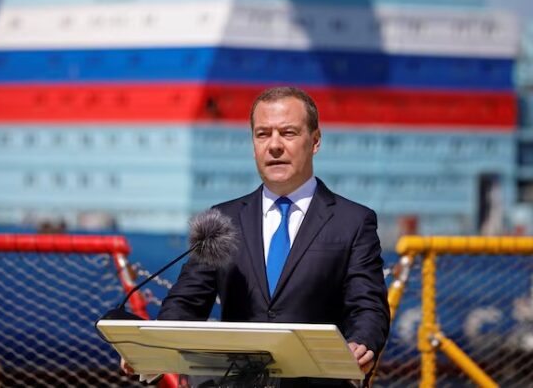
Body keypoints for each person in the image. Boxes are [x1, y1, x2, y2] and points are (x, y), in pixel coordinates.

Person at [127, 87, 390, 387]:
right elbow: (186, 302)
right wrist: (153, 350)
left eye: (288, 133)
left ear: (315, 141)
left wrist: (362, 343)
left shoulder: (353, 221)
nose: (274, 145)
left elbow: (368, 306)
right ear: (253, 144)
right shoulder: (221, 220)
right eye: (263, 134)